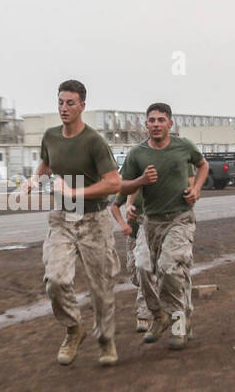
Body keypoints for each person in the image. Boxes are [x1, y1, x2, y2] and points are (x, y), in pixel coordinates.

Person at [24, 80, 122, 366]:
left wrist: (74, 192)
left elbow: (113, 182)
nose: (64, 108)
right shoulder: (51, 136)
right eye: (60, 102)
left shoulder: (94, 142)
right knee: (55, 280)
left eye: (70, 103)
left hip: (94, 220)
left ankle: (106, 340)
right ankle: (73, 328)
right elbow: (47, 163)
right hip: (62, 220)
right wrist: (34, 179)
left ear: (82, 106)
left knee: (101, 287)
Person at [118, 103, 210, 350]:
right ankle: (159, 316)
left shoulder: (183, 147)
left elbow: (203, 165)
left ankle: (179, 325)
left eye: (161, 120)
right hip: (150, 222)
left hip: (179, 218)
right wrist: (141, 180)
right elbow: (123, 186)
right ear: (145, 124)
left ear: (170, 123)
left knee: (170, 268)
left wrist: (197, 190)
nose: (156, 124)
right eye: (152, 120)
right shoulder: (137, 154)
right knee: (142, 268)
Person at [109, 188, 154, 332]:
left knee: (143, 269)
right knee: (134, 274)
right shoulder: (130, 187)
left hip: (148, 232)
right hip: (132, 235)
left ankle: (143, 315)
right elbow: (114, 206)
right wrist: (123, 224)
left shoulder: (154, 188)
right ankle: (156, 289)